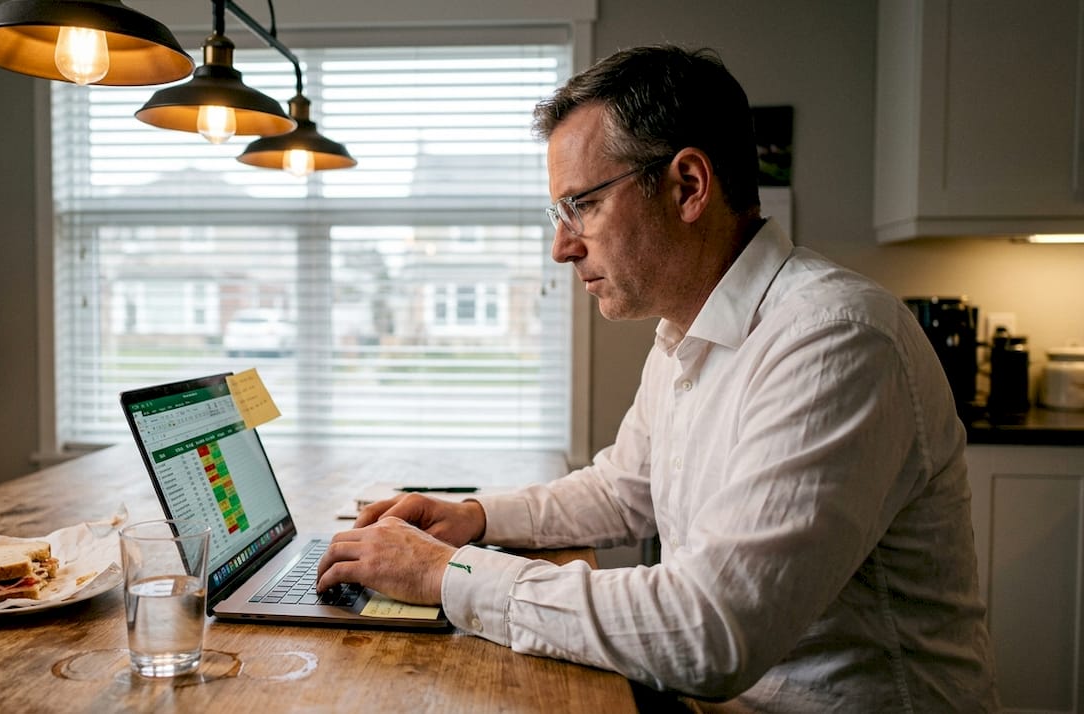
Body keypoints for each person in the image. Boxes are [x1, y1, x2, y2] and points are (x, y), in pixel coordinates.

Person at [316, 44, 998, 711]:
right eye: (558, 213)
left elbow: (710, 631)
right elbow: (624, 489)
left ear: (688, 186)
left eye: (581, 205)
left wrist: (444, 573)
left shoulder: (833, 339)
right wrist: (474, 516)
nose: (561, 247)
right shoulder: (683, 331)